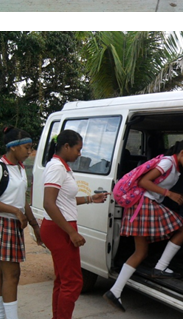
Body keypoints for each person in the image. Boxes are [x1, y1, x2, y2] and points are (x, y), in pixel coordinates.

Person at [103, 139, 183, 312]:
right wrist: (169, 193)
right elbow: (144, 182)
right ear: (182, 153)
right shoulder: (167, 162)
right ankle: (160, 267)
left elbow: (159, 188)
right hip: (144, 204)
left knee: (141, 251)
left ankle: (114, 291)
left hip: (142, 204)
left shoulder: (174, 167)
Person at [40, 130, 108, 319]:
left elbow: (64, 200)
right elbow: (49, 203)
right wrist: (71, 232)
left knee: (63, 280)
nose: (80, 154)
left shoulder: (62, 167)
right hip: (59, 229)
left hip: (60, 227)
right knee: (73, 282)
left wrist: (90, 199)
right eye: (78, 149)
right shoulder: (56, 168)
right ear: (66, 146)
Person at [0, 126, 42, 319]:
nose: (29, 152)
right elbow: (15, 205)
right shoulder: (1, 167)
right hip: (4, 224)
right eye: (26, 147)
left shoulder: (20, 168)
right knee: (12, 274)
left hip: (12, 225)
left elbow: (20, 198)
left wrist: (34, 224)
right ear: (13, 147)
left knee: (4, 275)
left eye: (30, 147)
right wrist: (15, 211)